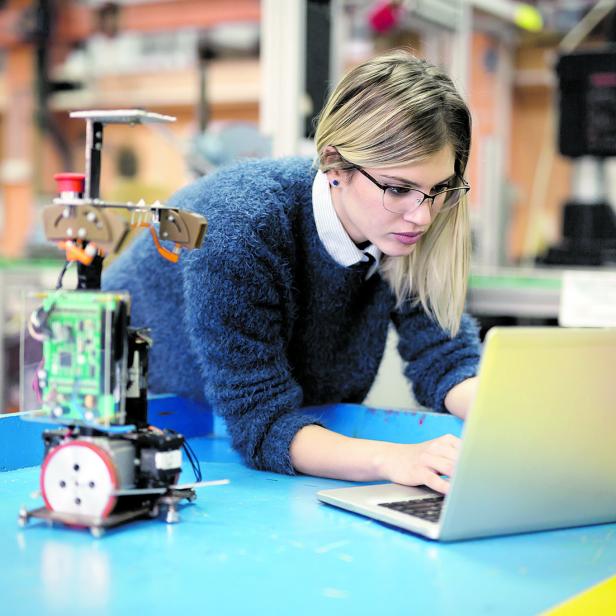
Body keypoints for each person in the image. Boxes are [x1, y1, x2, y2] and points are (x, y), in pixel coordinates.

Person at [103, 49, 481, 494]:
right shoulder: (241, 227)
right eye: (399, 189)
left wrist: (518, 421)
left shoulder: (403, 226)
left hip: (243, 432)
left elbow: (446, 360)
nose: (422, 215)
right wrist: (397, 458)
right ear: (335, 164)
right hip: (123, 418)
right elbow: (263, 425)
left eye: (439, 190)